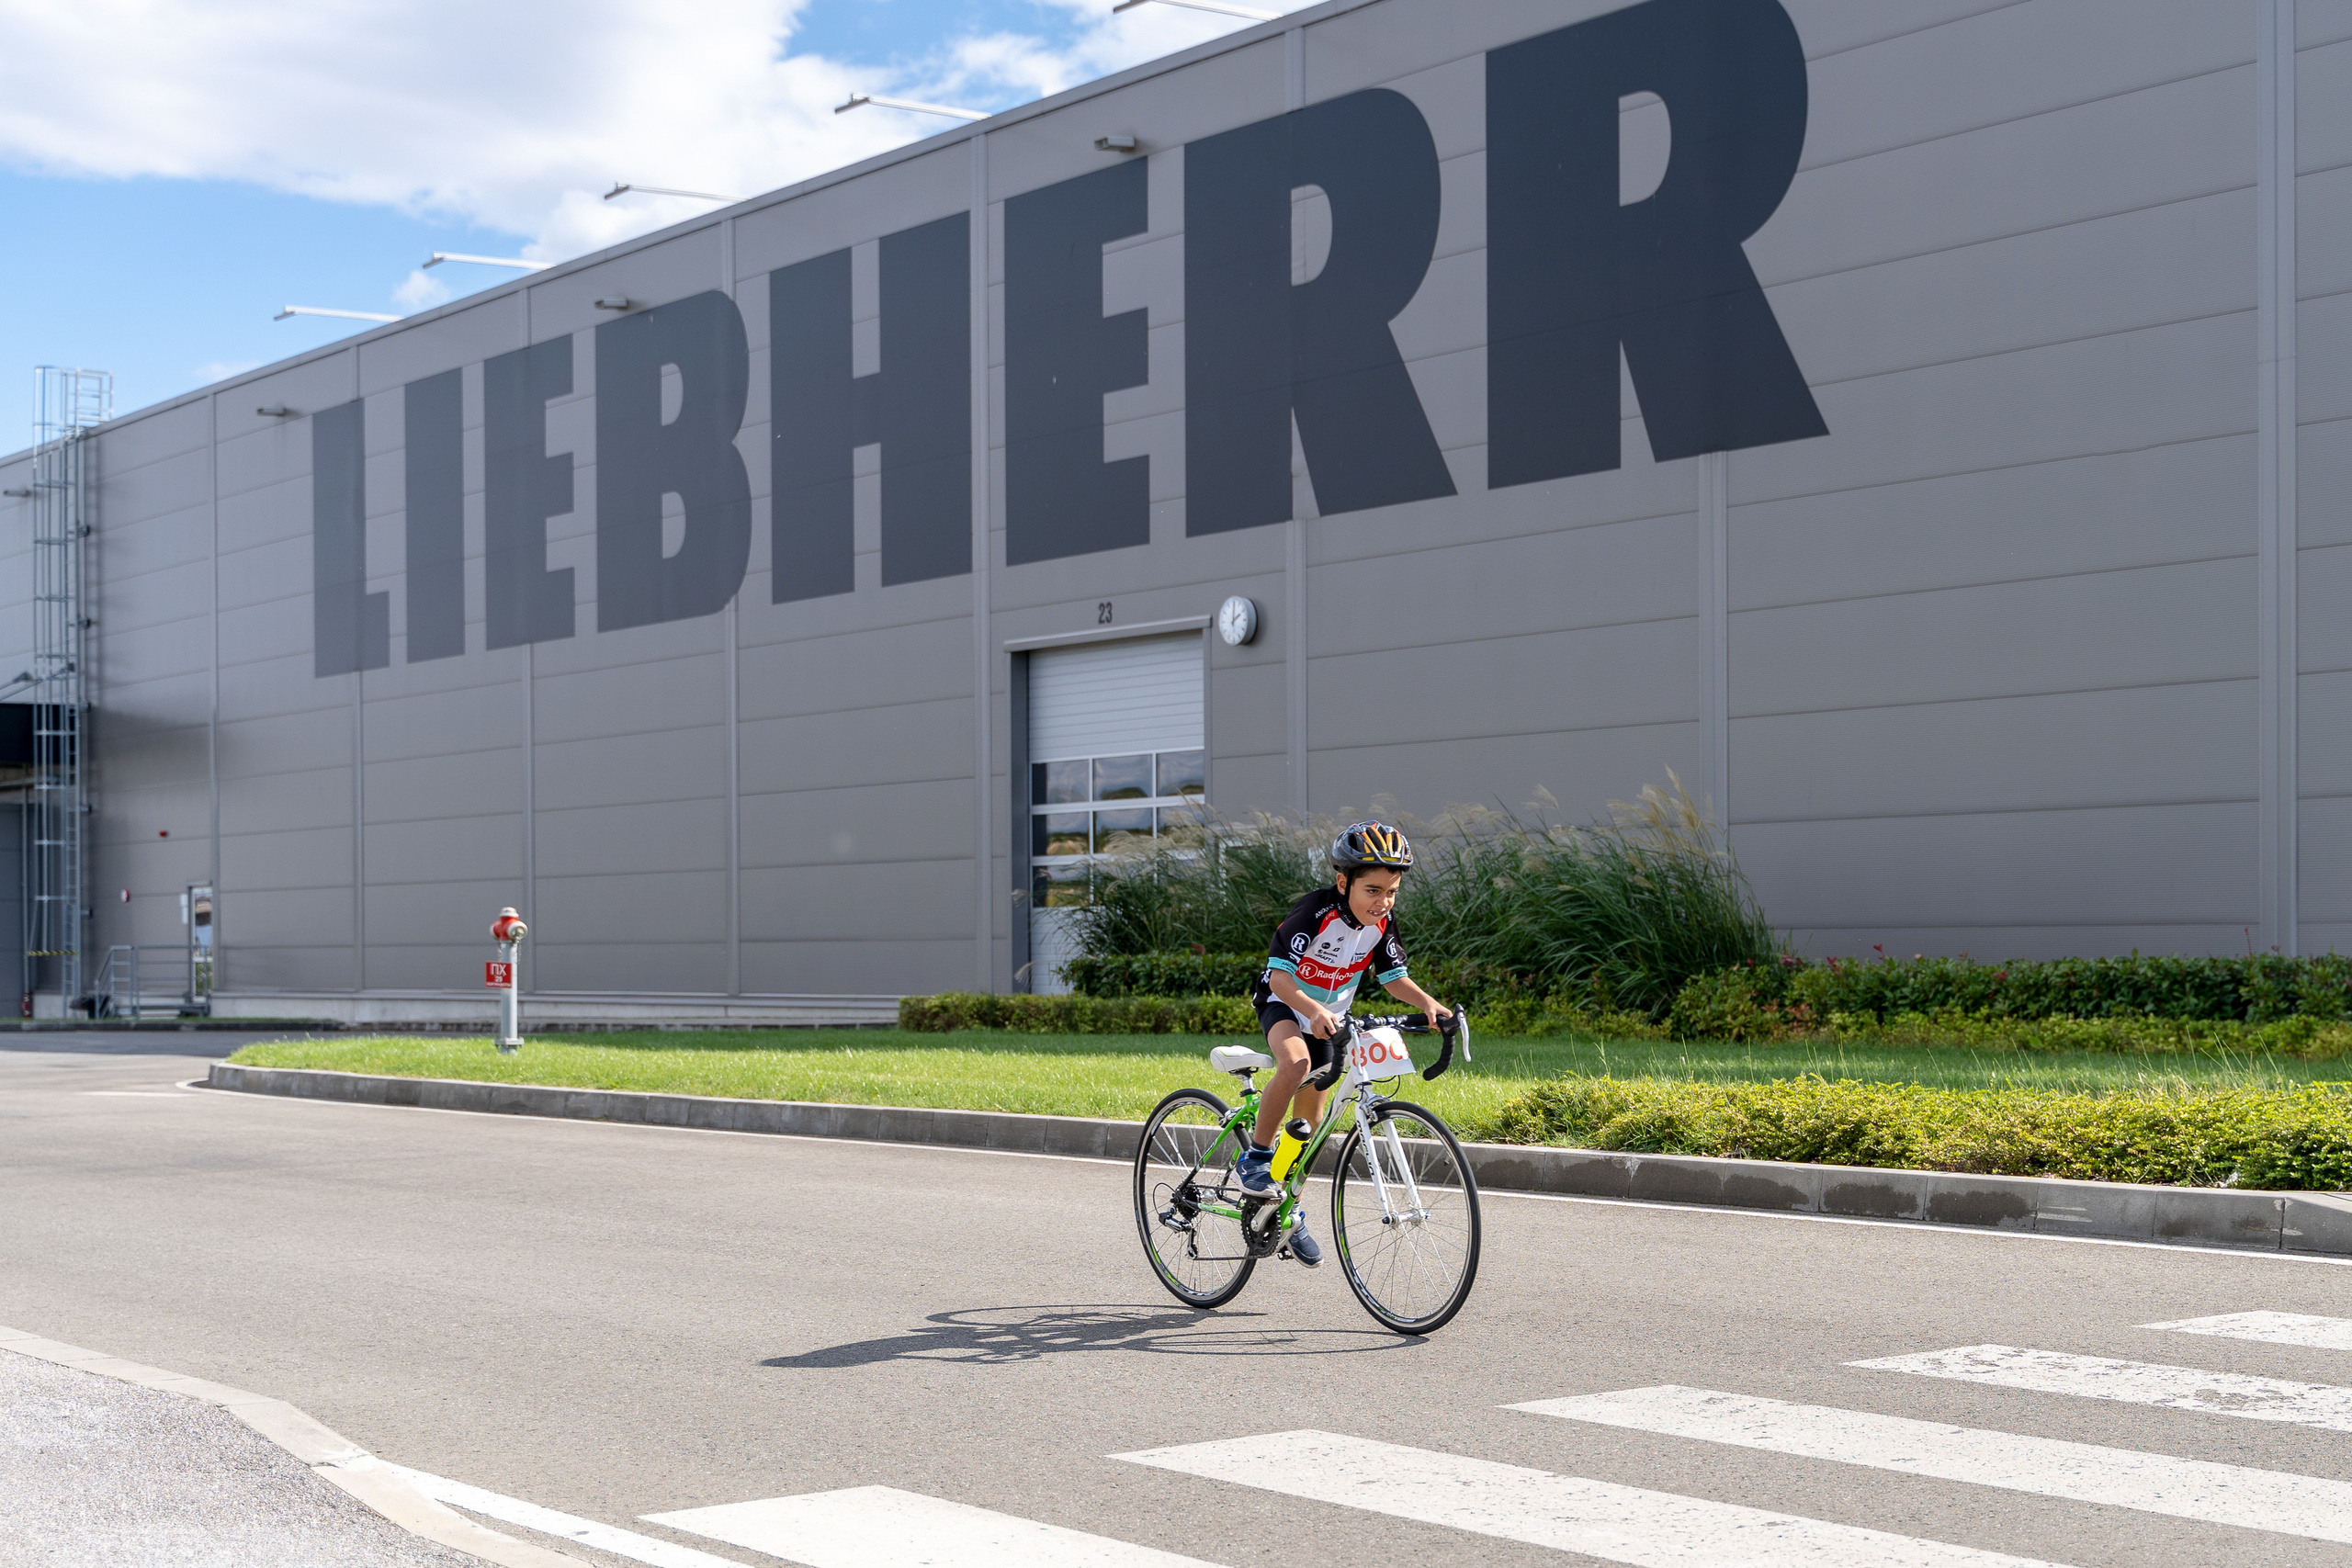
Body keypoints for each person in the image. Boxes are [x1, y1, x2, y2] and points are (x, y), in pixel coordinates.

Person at [1235, 820, 1453, 1266]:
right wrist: (1312, 1011)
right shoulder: (1315, 912)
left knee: (1309, 1131)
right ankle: (1255, 1159)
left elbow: (1394, 979)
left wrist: (1430, 1004)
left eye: (1391, 891)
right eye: (1373, 890)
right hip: (1285, 1003)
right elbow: (1279, 976)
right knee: (1295, 1065)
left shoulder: (1382, 923)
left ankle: (1287, 1211)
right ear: (1343, 882)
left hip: (1330, 1018)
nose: (1383, 902)